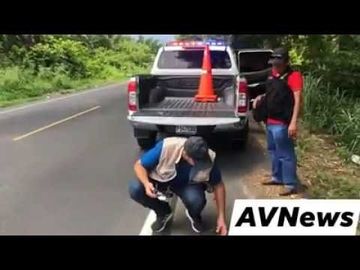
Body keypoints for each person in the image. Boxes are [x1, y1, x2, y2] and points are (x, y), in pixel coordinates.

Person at [129, 136, 227, 235]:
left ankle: (194, 214)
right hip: (161, 179)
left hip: (187, 185)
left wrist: (221, 218)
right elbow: (139, 165)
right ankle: (163, 212)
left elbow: (219, 186)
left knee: (196, 201)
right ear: (185, 154)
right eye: (197, 161)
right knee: (135, 189)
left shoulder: (209, 158)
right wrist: (146, 184)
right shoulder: (167, 146)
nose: (201, 164)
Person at [253, 48, 303, 196]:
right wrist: (260, 97)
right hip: (270, 120)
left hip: (283, 122)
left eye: (279, 64)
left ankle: (290, 183)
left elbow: (298, 100)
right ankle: (277, 177)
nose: (276, 67)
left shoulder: (293, 76)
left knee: (286, 153)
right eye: (274, 64)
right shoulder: (272, 74)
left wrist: (294, 122)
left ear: (287, 62)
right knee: (273, 151)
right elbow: (270, 92)